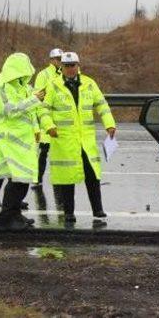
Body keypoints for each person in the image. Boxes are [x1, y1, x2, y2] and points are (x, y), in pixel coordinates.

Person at [39, 52, 116, 223]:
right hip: (64, 140)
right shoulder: (53, 85)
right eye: (67, 66)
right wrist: (49, 126)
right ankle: (68, 213)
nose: (70, 69)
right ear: (62, 67)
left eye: (73, 65)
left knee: (92, 175)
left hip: (85, 140)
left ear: (78, 65)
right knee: (67, 177)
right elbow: (43, 110)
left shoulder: (89, 84)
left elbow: (101, 104)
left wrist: (109, 124)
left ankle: (98, 210)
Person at [0, 53, 44, 228]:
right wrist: (35, 100)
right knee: (16, 180)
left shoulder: (22, 86)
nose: (25, 75)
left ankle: (15, 214)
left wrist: (36, 130)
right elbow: (9, 110)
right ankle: (7, 217)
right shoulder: (0, 87)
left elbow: (31, 112)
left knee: (22, 179)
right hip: (10, 141)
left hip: (24, 141)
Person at [32, 48, 63, 190]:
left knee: (60, 152)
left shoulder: (64, 73)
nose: (59, 61)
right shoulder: (43, 74)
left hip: (61, 118)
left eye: (61, 59)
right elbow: (37, 95)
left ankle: (60, 179)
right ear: (51, 60)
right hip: (47, 117)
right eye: (57, 59)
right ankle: (37, 179)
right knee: (44, 151)